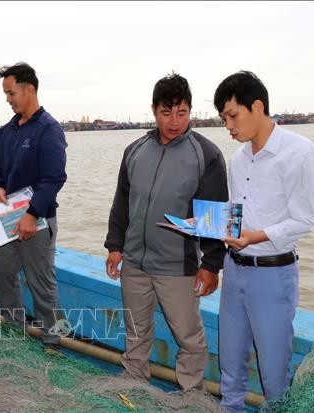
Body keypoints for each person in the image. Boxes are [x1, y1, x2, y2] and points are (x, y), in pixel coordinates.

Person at [104, 73, 228, 390]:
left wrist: (211, 266)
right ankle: (134, 385)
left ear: (190, 112)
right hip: (134, 264)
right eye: (166, 112)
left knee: (189, 338)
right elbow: (122, 202)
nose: (174, 121)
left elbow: (214, 216)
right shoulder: (134, 150)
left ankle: (192, 395)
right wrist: (115, 246)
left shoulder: (207, 154)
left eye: (181, 113)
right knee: (136, 332)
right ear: (154, 110)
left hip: (179, 267)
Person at [213, 71, 314, 412]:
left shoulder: (299, 151)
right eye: (223, 118)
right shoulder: (237, 159)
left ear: (257, 106)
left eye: (232, 115)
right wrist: (208, 225)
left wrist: (257, 236)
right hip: (235, 270)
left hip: (273, 276)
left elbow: (305, 218)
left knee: (274, 378)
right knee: (230, 371)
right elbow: (238, 215)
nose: (228, 125)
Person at [0, 62, 67, 349]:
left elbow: (54, 178)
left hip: (38, 220)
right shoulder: (6, 133)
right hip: (8, 218)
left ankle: (53, 340)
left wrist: (33, 214)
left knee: (42, 284)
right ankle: (14, 332)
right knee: (3, 275)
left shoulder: (49, 130)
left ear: (29, 89)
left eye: (11, 93)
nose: (8, 99)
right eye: (6, 94)